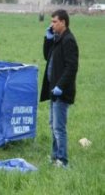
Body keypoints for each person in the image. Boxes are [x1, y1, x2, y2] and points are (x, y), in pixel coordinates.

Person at [40, 9, 79, 168]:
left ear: (63, 22)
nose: (52, 24)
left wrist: (60, 87)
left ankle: (62, 160)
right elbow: (46, 56)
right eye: (51, 21)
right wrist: (47, 38)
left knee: (59, 127)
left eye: (54, 22)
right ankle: (55, 156)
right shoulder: (58, 38)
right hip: (53, 90)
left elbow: (72, 67)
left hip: (61, 92)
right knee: (52, 124)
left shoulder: (68, 40)